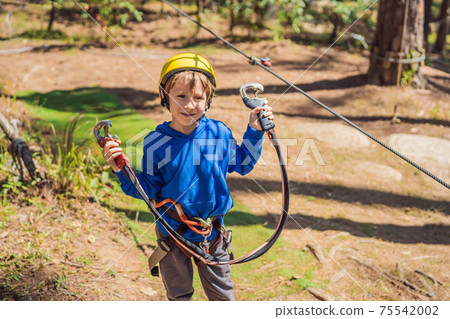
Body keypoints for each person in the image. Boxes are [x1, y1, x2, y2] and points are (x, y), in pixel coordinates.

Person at [101, 53, 274, 301]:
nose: (188, 105)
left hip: (212, 234)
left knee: (223, 296)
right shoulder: (155, 143)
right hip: (172, 234)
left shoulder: (218, 133)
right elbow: (146, 190)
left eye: (197, 98)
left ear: (208, 100)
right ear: (165, 97)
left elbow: (243, 163)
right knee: (180, 296)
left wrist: (255, 131)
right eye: (180, 96)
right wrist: (121, 168)